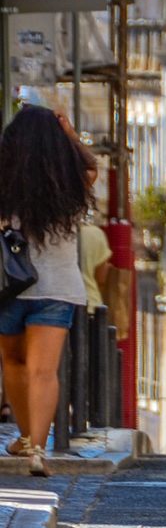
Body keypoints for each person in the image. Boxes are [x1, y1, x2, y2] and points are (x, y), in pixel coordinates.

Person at [0, 106, 96, 476]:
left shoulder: (5, 183)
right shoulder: (71, 183)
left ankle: (24, 437)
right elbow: (91, 167)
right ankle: (38, 449)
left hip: (10, 288)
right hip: (58, 289)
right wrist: (70, 134)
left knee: (14, 364)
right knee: (44, 371)